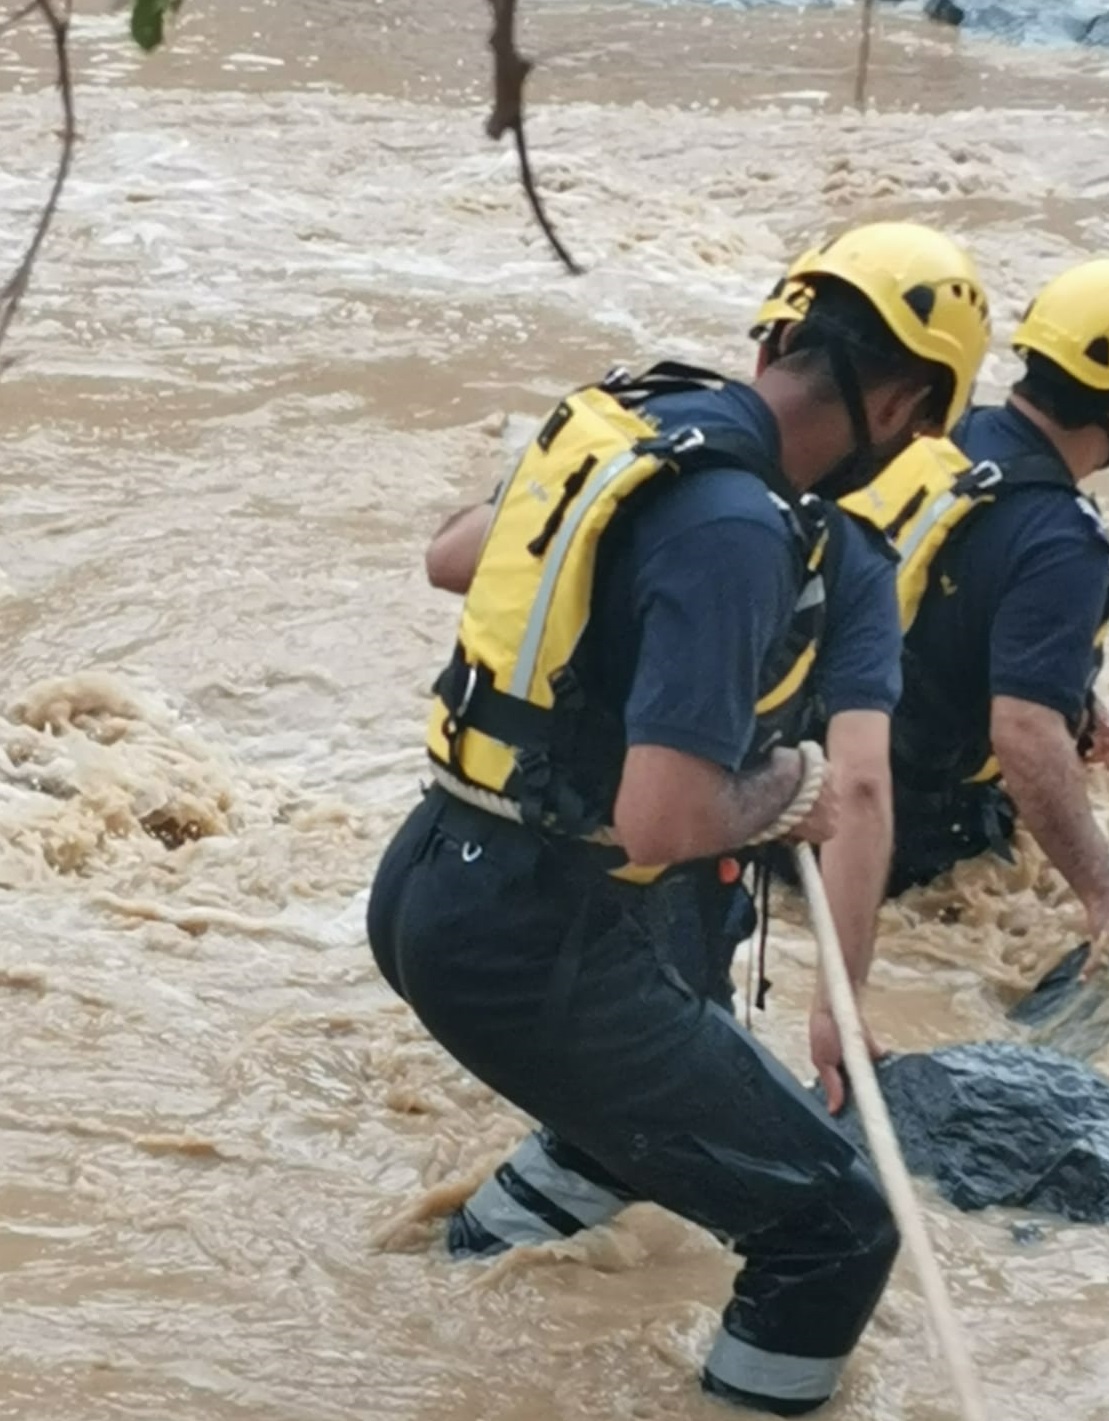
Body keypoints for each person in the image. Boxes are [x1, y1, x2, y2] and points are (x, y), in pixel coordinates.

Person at [367, 220, 991, 1417]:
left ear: (782, 331)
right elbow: (666, 819)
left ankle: (443, 1285)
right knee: (836, 1228)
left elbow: (453, 558)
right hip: (536, 935)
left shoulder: (633, 435)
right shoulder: (739, 530)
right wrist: (784, 791)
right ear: (907, 400)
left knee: (641, 1112)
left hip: (437, 878)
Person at [784, 257, 1109, 970]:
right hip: (897, 844)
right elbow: (1025, 736)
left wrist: (1089, 714)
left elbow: (942, 603)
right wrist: (1107, 902)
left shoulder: (945, 433)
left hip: (794, 775)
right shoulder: (1063, 543)